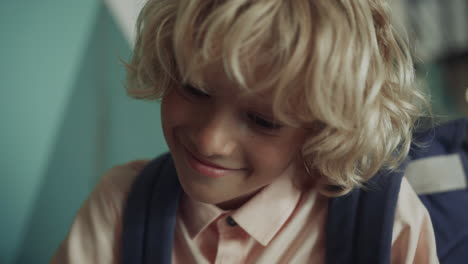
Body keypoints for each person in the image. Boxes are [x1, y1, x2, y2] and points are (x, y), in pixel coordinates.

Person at [51, 0, 440, 263]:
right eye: (194, 88)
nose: (210, 140)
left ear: (324, 127)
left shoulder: (386, 222)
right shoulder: (121, 205)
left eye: (264, 121)